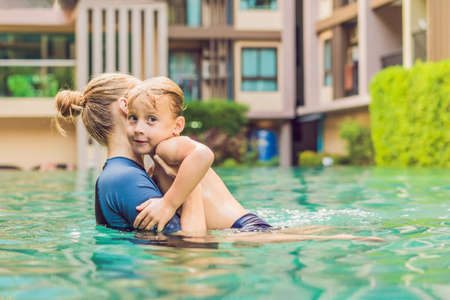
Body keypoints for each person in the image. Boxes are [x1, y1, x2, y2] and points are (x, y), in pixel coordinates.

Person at [55, 73, 207, 236]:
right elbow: (192, 248)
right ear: (126, 106)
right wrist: (191, 185)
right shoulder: (125, 179)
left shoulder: (120, 174)